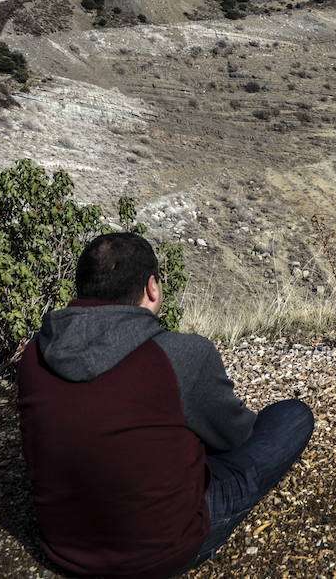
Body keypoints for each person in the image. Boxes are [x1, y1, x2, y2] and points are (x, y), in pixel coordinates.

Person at [17, 232, 313, 578]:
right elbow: (237, 436)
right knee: (292, 416)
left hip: (66, 548)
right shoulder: (179, 354)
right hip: (161, 554)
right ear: (152, 287)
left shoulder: (35, 354)